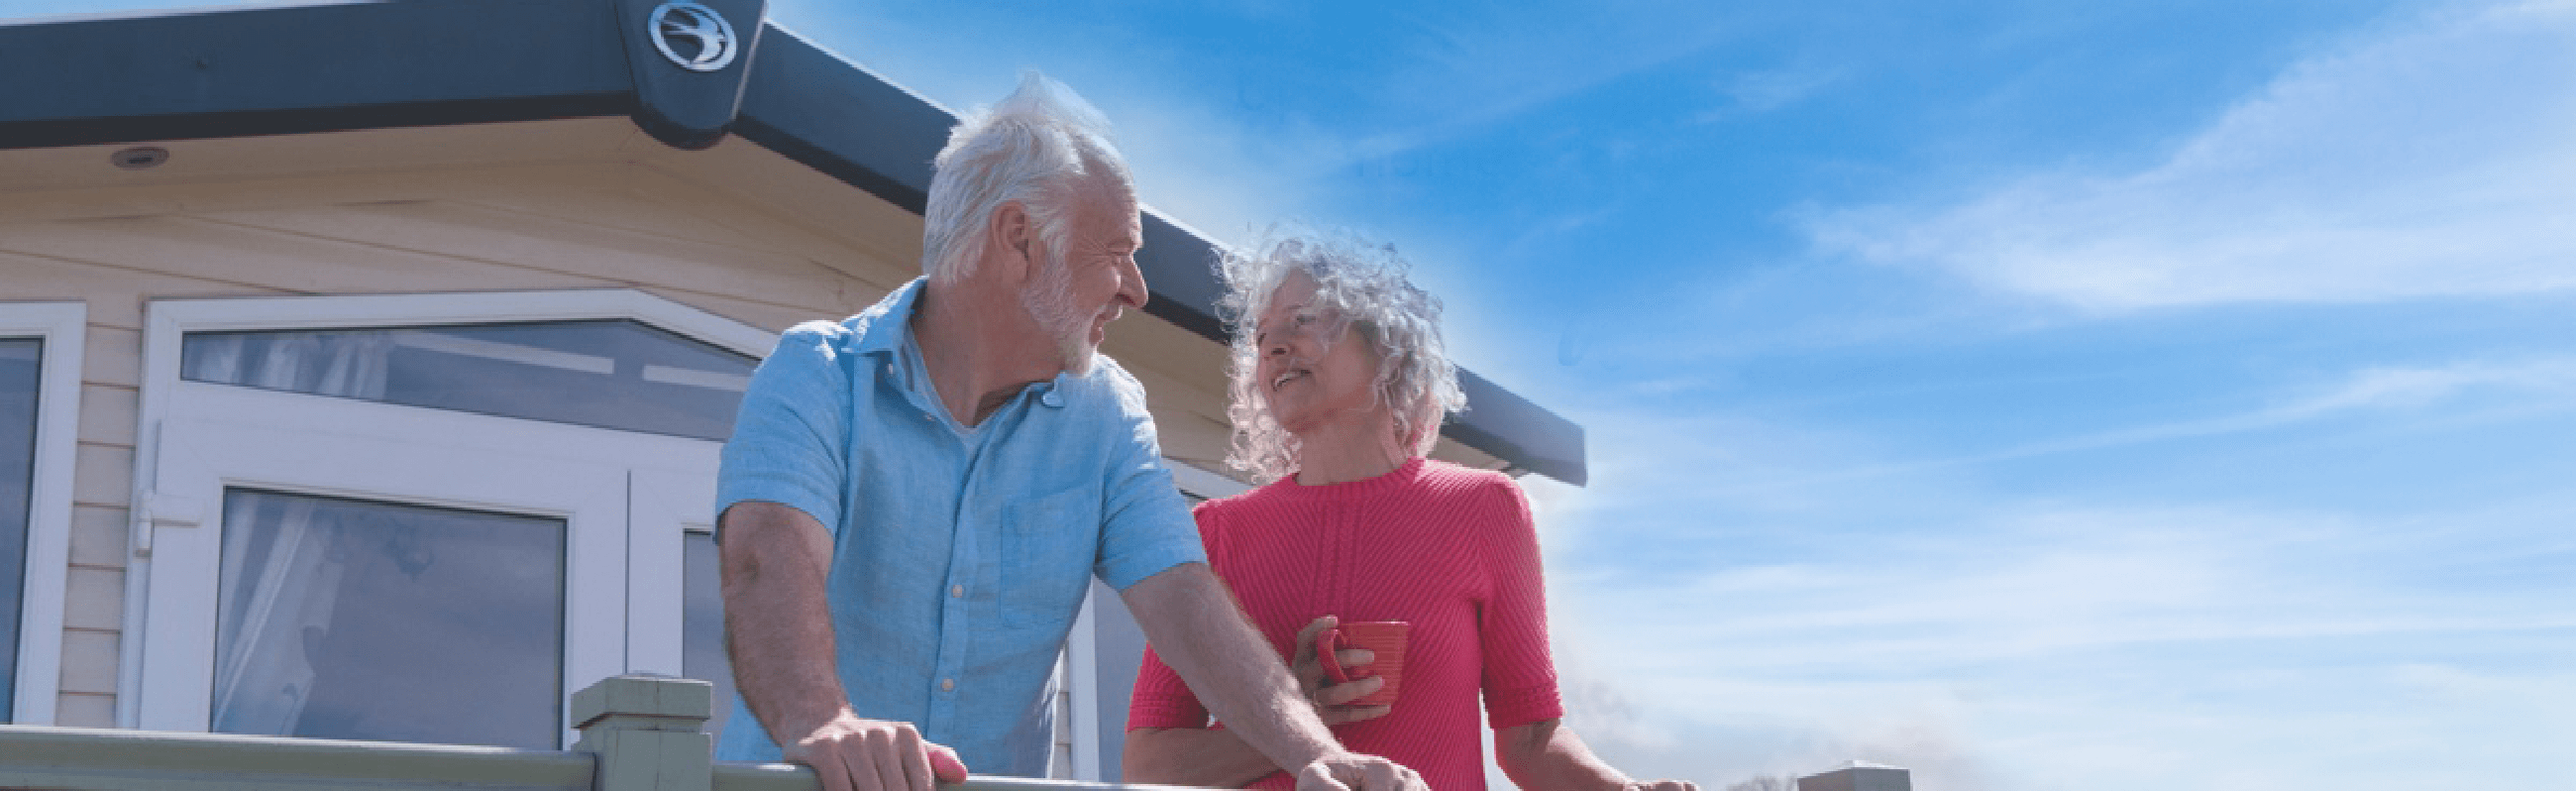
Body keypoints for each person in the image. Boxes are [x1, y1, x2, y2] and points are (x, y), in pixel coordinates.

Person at [714, 74, 1428, 791]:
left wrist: (1316, 754)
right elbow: (766, 555)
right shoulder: (820, 373)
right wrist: (825, 722)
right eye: (1117, 251)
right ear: (1019, 240)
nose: (1137, 289)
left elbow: (1183, 597)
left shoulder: (1108, 414)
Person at [1122, 232, 1700, 791]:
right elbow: (1148, 766)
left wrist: (1621, 789)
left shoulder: (1484, 509)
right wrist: (1295, 714)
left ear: (1386, 343)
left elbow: (1529, 742)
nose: (1273, 346)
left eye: (1303, 320)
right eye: (1263, 336)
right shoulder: (1218, 532)